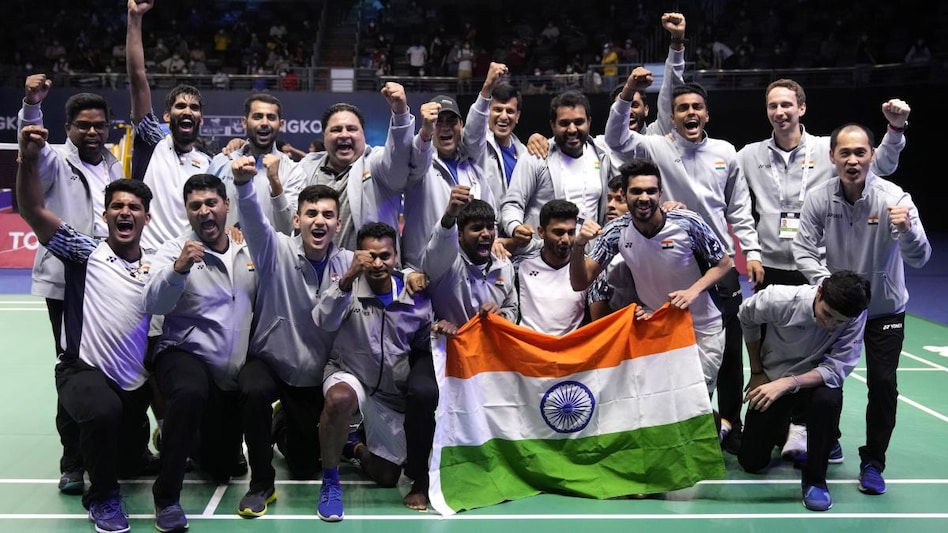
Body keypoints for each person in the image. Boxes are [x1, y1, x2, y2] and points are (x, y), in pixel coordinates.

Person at [736, 79, 910, 460]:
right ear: (766, 110)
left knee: (825, 348)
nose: (780, 112)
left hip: (818, 273)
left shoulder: (826, 149)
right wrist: (749, 249)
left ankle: (814, 431)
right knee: (776, 351)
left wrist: (894, 131)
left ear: (802, 107)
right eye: (772, 106)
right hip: (770, 264)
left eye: (787, 104)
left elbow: (878, 165)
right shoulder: (749, 154)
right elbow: (731, 200)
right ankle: (774, 423)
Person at [604, 81, 763, 454]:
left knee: (727, 354)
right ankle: (693, 424)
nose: (690, 113)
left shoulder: (726, 152)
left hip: (717, 264)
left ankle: (730, 426)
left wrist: (751, 252)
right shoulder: (655, 146)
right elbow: (614, 138)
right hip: (674, 256)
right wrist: (627, 93)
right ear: (670, 118)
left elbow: (738, 207)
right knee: (675, 358)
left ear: (706, 114)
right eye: (682, 109)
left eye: (697, 107)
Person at [17, 124, 155, 533]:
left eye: (133, 207)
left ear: (147, 217)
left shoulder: (159, 261)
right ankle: (103, 497)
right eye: (117, 206)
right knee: (100, 410)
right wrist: (26, 157)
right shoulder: (85, 252)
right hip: (83, 372)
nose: (124, 212)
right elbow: (33, 210)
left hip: (135, 380)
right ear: (106, 214)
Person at [793, 123, 931, 497]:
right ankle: (829, 440)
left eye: (860, 152)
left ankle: (873, 461)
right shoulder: (819, 198)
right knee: (827, 383)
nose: (852, 160)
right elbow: (803, 249)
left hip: (885, 310)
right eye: (845, 153)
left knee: (883, 385)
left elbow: (920, 259)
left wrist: (908, 231)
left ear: (872, 155)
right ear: (832, 156)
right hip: (838, 310)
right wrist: (828, 287)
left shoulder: (895, 198)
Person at [16, 74, 132, 494]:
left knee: (113, 368)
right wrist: (32, 104)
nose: (92, 131)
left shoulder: (113, 163)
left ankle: (116, 450)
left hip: (110, 280)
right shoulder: (55, 160)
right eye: (83, 125)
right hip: (68, 282)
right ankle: (73, 461)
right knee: (73, 369)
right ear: (69, 128)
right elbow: (30, 145)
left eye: (99, 124)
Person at [232, 150, 354, 515]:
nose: (320, 221)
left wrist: (411, 275)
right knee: (252, 389)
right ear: (297, 219)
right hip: (271, 361)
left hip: (314, 375)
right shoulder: (276, 250)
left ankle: (281, 422)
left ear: (338, 223)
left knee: (304, 465)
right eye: (312, 214)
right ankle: (260, 484)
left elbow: (389, 269)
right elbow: (253, 221)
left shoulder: (348, 262)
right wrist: (243, 185)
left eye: (328, 215)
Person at [143, 174, 258, 532]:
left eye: (211, 203)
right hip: (183, 353)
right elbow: (153, 302)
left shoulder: (248, 249)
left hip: (229, 372)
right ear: (187, 212)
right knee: (190, 392)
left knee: (221, 467)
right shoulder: (172, 250)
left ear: (226, 206)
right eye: (196, 206)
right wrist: (179, 269)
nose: (205, 211)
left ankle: (181, 435)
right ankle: (166, 497)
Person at [569, 159, 733, 393]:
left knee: (698, 403)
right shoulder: (616, 232)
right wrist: (578, 245)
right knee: (665, 404)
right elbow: (580, 282)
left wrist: (692, 291)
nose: (644, 197)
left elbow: (724, 263)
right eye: (636, 191)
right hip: (657, 326)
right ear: (625, 194)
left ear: (660, 193)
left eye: (651, 191)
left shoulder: (688, 222)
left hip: (702, 326)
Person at [313, 222, 434, 521]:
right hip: (350, 375)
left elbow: (422, 343)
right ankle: (330, 482)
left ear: (396, 256)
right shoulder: (347, 286)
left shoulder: (413, 294)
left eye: (385, 255)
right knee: (340, 399)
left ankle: (354, 447)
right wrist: (348, 277)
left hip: (391, 396)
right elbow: (322, 320)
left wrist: (438, 332)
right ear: (359, 256)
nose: (378, 263)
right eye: (370, 256)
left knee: (387, 476)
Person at [738, 271, 872, 511]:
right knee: (751, 462)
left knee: (827, 400)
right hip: (773, 375)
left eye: (838, 321)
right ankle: (789, 429)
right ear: (819, 292)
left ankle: (815, 479)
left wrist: (788, 383)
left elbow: (835, 369)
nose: (830, 324)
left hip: (814, 381)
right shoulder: (778, 298)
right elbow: (746, 317)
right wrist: (758, 371)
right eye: (827, 314)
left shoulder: (855, 315)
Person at [297, 82, 427, 252]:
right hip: (317, 273)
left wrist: (400, 114)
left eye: (351, 129)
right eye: (336, 129)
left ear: (363, 135)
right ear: (324, 136)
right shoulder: (306, 167)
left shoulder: (376, 163)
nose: (344, 134)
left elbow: (397, 159)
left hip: (370, 273)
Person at [400, 63, 505, 268]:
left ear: (461, 126)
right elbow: (420, 151)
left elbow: (490, 214)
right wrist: (425, 131)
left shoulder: (473, 170)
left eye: (451, 121)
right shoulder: (419, 165)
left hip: (469, 268)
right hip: (424, 269)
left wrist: (494, 241)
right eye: (439, 121)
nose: (446, 127)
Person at [127, 0, 212, 253]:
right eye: (180, 106)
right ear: (167, 115)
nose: (187, 111)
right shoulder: (152, 142)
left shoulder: (209, 163)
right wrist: (135, 19)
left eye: (194, 108)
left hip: (194, 262)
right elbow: (138, 79)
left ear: (201, 119)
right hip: (149, 258)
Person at [500, 90, 612, 260]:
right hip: (543, 257)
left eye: (579, 122)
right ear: (552, 125)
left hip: (588, 258)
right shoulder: (536, 157)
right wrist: (515, 227)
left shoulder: (602, 156)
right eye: (564, 123)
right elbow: (512, 203)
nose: (572, 129)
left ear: (589, 122)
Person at [422, 185, 519, 327]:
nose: (486, 233)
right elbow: (440, 245)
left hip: (490, 345)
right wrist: (449, 216)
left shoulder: (504, 265)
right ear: (459, 234)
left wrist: (502, 316)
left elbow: (512, 308)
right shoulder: (447, 264)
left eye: (490, 227)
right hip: (452, 345)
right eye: (477, 228)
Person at [210, 93, 305, 236]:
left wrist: (275, 181)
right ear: (244, 122)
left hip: (271, 257)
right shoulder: (221, 162)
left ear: (281, 125)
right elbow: (202, 210)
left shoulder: (294, 171)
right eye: (257, 117)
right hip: (226, 255)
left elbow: (288, 228)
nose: (265, 122)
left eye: (271, 117)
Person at [517, 199, 586, 335]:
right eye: (559, 232)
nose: (566, 239)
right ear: (541, 232)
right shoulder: (520, 266)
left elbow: (599, 322)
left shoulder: (586, 270)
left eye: (571, 232)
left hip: (571, 351)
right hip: (528, 350)